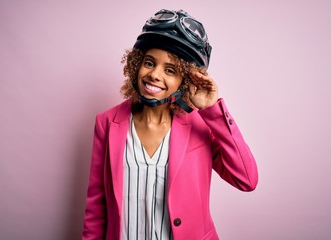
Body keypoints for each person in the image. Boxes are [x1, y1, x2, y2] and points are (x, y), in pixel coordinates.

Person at [82, 9, 258, 240]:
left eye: (170, 70)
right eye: (149, 62)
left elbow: (246, 179)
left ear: (185, 80)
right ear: (136, 65)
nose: (154, 75)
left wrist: (212, 110)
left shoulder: (203, 127)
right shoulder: (106, 122)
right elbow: (97, 205)